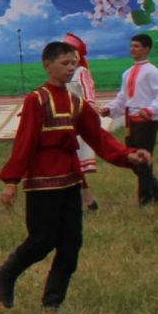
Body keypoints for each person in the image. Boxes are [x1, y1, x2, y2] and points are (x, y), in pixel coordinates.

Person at [0, 42, 149, 310]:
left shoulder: (76, 101)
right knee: (42, 241)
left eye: (73, 63)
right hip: (42, 181)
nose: (70, 68)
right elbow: (25, 141)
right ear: (48, 65)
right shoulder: (36, 99)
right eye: (65, 63)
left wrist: (127, 156)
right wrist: (12, 181)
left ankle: (52, 302)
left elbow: (97, 135)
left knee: (71, 243)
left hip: (70, 178)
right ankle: (7, 272)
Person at [104, 32, 158, 205]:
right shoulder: (128, 73)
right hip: (130, 121)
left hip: (145, 122)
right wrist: (110, 109)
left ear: (146, 49)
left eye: (137, 46)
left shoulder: (153, 72)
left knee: (142, 158)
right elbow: (123, 97)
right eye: (131, 46)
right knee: (132, 158)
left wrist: (151, 109)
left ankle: (145, 198)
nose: (132, 49)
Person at [62, 33, 102, 210]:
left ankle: (83, 202)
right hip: (63, 122)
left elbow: (89, 95)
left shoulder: (81, 72)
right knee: (70, 165)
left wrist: (88, 118)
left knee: (73, 165)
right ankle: (87, 201)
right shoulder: (63, 73)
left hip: (77, 123)